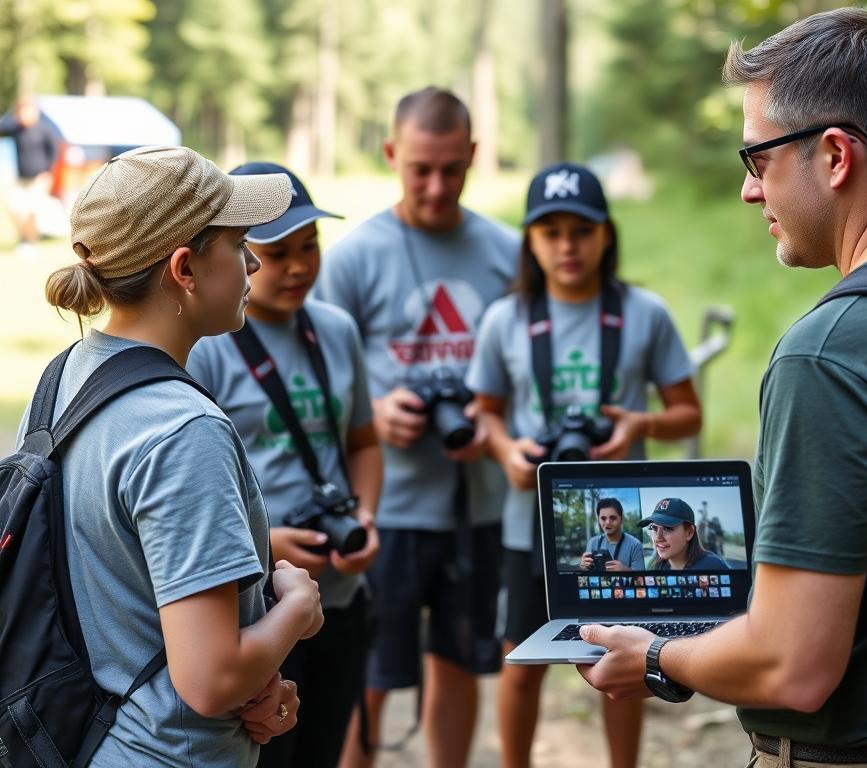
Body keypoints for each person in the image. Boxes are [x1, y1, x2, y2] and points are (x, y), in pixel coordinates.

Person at [577, 8, 867, 768]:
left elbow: (794, 666)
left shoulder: (831, 355)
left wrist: (656, 657)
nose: (751, 191)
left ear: (836, 156)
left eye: (757, 160)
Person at [20, 145, 325, 767]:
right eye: (239, 243)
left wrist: (258, 682)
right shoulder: (183, 430)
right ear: (185, 269)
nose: (252, 262)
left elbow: (124, 590)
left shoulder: (61, 382)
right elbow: (209, 679)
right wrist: (295, 609)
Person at [466, 161, 701, 768]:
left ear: (606, 235)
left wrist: (639, 424)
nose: (567, 246)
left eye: (581, 230)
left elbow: (688, 414)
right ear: (530, 241)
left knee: (622, 667)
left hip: (625, 534)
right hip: (529, 528)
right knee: (520, 666)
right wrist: (505, 449)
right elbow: (485, 411)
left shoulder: (643, 313)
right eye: (551, 232)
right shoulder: (505, 319)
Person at [315, 86, 518, 768]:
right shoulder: (352, 257)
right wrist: (374, 414)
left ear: (473, 157)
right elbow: (312, 381)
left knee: (459, 662)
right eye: (419, 169)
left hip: (477, 503)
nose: (436, 187)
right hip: (384, 511)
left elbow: (527, 370)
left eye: (452, 170)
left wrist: (489, 414)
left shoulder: (508, 253)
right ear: (391, 154)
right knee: (367, 675)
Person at [186, 162, 382, 768]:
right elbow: (198, 494)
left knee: (325, 747)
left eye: (310, 246)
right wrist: (268, 542)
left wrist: (367, 517)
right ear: (241, 254)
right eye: (276, 252)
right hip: (259, 606)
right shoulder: (209, 346)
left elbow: (364, 441)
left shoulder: (336, 330)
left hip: (340, 593)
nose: (298, 267)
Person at [0, 95, 60, 257]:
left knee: (31, 210)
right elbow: (2, 127)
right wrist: (15, 115)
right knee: (16, 209)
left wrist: (48, 174)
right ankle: (24, 239)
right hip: (21, 179)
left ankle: (31, 242)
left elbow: (54, 152)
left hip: (39, 178)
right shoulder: (16, 129)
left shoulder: (44, 129)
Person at [638, 498, 728, 571]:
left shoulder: (713, 566)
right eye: (654, 528)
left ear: (689, 532)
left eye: (667, 528)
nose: (657, 538)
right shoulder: (657, 567)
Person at [580, 497, 645, 571]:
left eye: (613, 518)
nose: (607, 522)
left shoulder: (635, 545)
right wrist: (583, 568)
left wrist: (625, 570)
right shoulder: (592, 543)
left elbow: (642, 579)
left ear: (621, 519)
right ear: (598, 519)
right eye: (603, 518)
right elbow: (587, 575)